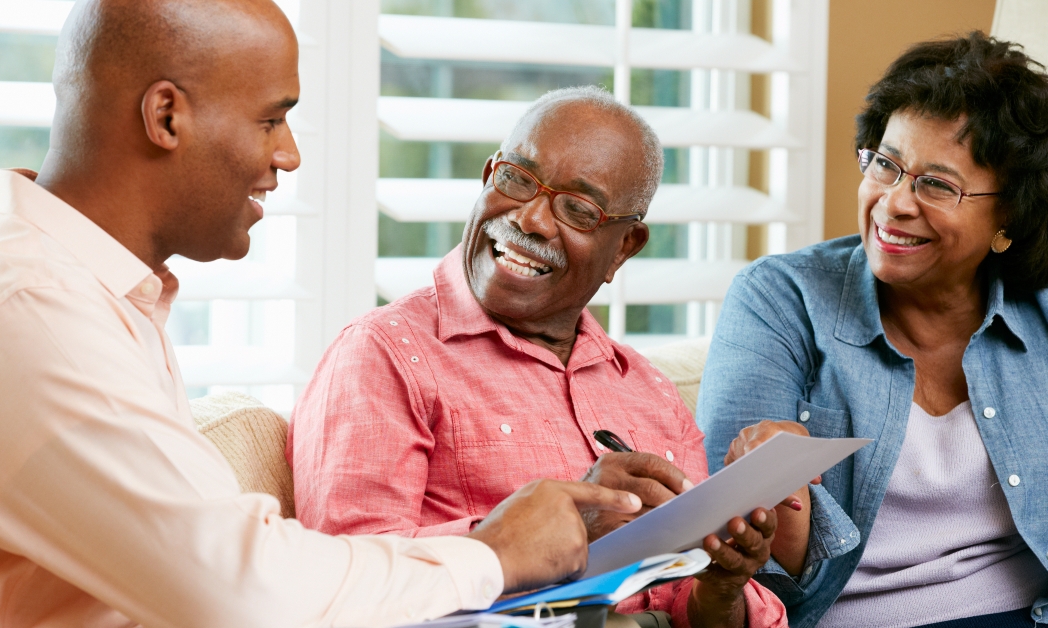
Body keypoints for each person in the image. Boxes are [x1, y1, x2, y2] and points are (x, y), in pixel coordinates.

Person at [0, 1, 646, 626]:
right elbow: (242, 591)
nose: (289, 154)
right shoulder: (29, 309)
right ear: (167, 117)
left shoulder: (88, 291)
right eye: (272, 118)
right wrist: (491, 554)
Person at [289, 86, 843, 628]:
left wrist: (719, 586)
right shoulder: (384, 356)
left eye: (578, 209)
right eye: (516, 178)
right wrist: (566, 530)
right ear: (487, 178)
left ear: (624, 248)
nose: (530, 219)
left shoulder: (647, 391)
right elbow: (346, 587)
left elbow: (694, 606)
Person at [695, 32, 1048, 628]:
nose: (893, 203)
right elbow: (739, 575)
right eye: (886, 164)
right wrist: (782, 504)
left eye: (937, 184)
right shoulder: (780, 302)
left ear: (1010, 214)